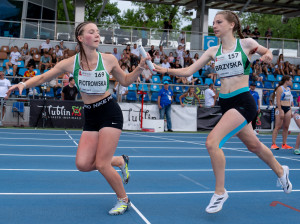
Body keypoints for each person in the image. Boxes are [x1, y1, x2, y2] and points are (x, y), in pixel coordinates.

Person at [154, 10, 292, 213]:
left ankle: (220, 192)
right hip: (226, 103)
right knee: (254, 145)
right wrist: (166, 70)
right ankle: (281, 171)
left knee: (211, 142)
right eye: (213, 22)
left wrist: (268, 55)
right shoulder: (212, 51)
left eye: (219, 22)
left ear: (231, 25)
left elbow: (265, 52)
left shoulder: (245, 44)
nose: (214, 26)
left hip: (243, 101)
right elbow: (188, 71)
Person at [7, 21, 150, 215]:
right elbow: (43, 77)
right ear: (81, 38)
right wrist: (24, 85)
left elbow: (125, 80)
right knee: (82, 165)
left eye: (98, 32)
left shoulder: (108, 59)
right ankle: (119, 161)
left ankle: (123, 199)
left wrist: (140, 67)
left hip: (109, 113)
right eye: (92, 32)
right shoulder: (70, 63)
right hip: (91, 115)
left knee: (100, 164)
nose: (97, 35)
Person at [271, 75, 293, 150]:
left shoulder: (289, 89)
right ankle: (273, 144)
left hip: (287, 108)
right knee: (277, 126)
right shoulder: (280, 89)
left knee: (286, 127)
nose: (291, 81)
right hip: (280, 108)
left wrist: (290, 109)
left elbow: (289, 100)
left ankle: (284, 144)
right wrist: (280, 110)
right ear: (286, 81)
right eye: (290, 80)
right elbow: (278, 101)